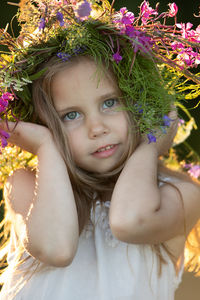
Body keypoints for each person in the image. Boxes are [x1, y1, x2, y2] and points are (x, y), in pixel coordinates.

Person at [0, 1, 200, 299]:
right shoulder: (27, 184)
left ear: (139, 102)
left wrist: (151, 142)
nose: (97, 128)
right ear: (44, 125)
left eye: (110, 102)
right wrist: (45, 147)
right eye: (71, 115)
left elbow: (129, 221)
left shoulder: (179, 194)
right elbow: (58, 248)